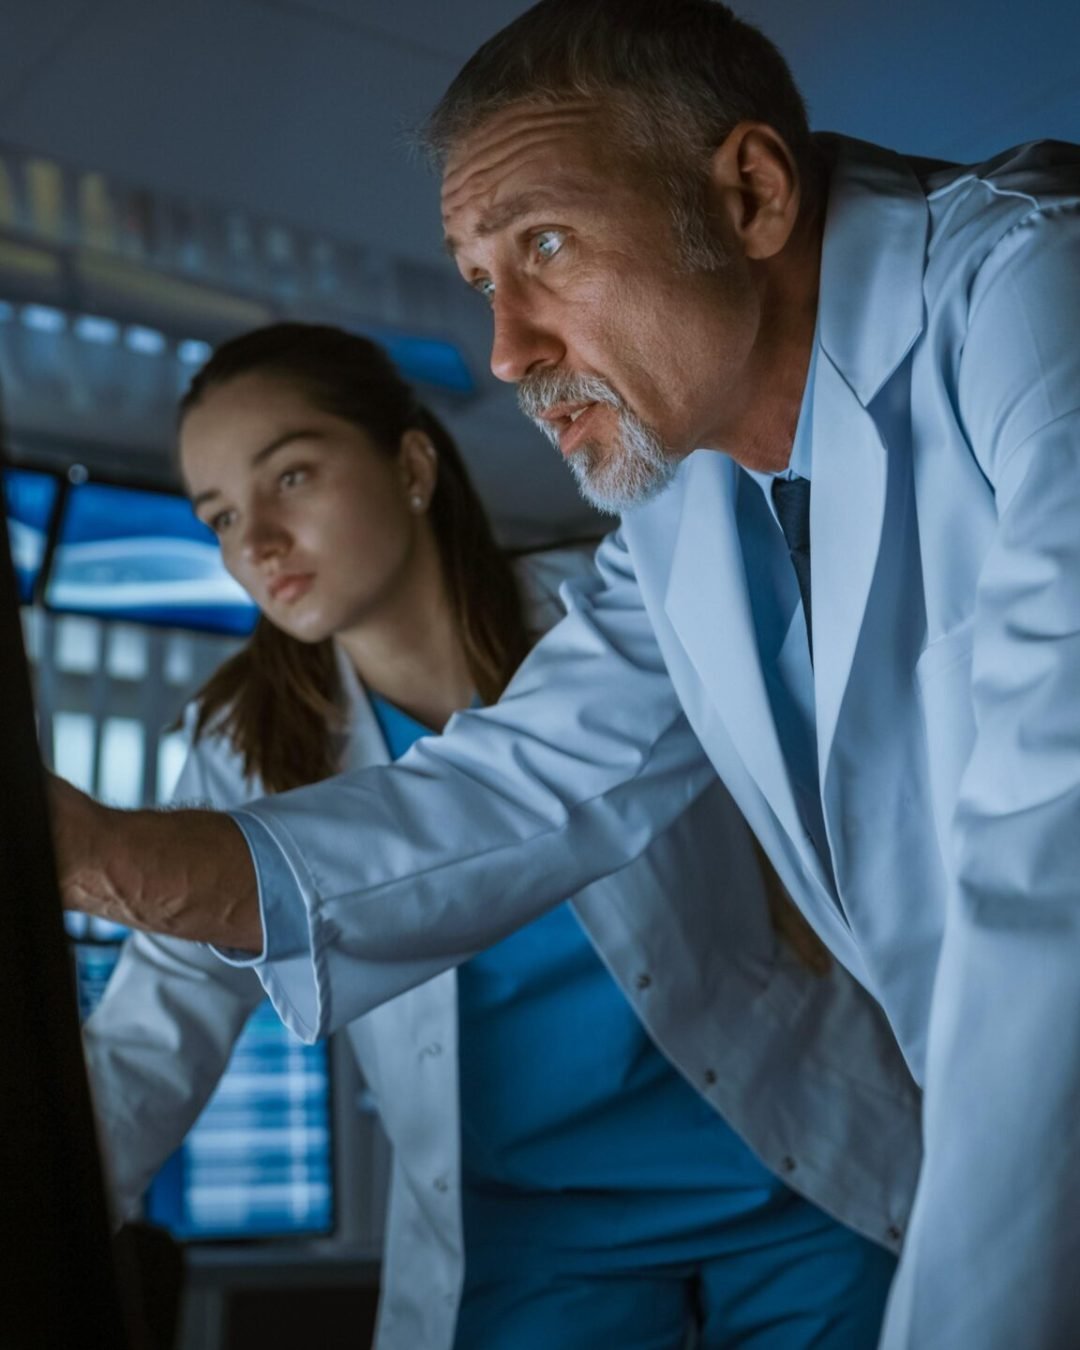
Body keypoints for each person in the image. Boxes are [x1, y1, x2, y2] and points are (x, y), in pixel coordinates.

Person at [48, 2, 1080, 1346]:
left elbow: (1052, 846)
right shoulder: (684, 511)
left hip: (873, 1177)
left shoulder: (1034, 304)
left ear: (754, 193)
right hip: (646, 1223)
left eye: (546, 244)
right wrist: (96, 851)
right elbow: (519, 791)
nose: (508, 349)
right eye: (484, 277)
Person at [81, 322, 913, 1350]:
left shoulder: (609, 612)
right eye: (218, 516)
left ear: (413, 463)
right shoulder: (241, 748)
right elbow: (155, 1028)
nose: (254, 542)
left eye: (290, 476)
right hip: (534, 1241)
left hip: (788, 1174)